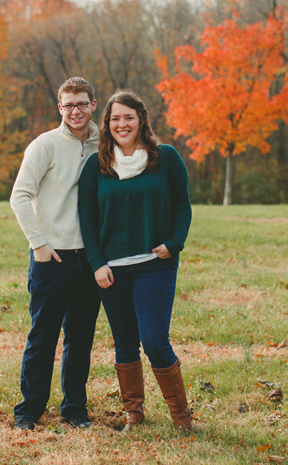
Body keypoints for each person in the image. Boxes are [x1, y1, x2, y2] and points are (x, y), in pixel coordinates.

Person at [78, 90, 193, 432]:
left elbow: (182, 206)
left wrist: (174, 243)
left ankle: (181, 416)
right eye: (115, 118)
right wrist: (97, 262)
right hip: (112, 270)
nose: (121, 124)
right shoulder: (97, 165)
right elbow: (86, 217)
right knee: (125, 342)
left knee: (155, 341)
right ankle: (134, 416)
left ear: (141, 119)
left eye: (128, 117)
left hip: (155, 265)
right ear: (107, 124)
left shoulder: (165, 158)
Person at [9, 77, 102, 431]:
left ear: (94, 104)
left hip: (89, 259)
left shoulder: (103, 145)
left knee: (80, 339)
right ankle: (28, 412)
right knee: (42, 337)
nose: (75, 111)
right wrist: (39, 244)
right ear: (59, 108)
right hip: (52, 259)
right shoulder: (43, 145)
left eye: (82, 103)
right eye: (68, 105)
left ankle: (75, 409)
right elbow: (20, 195)